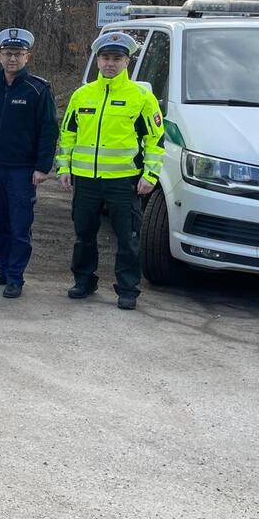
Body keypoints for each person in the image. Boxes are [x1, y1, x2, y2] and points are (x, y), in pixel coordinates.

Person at [56, 31, 164, 310]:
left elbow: (155, 140)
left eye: (116, 58)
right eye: (105, 58)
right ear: (97, 61)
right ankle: (83, 281)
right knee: (84, 235)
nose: (110, 64)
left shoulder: (142, 97)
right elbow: (68, 135)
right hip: (86, 181)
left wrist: (150, 175)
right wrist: (64, 168)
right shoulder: (82, 95)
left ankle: (127, 289)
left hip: (123, 181)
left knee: (128, 238)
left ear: (127, 61)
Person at [0, 28, 59, 298]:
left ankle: (16, 277)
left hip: (22, 170)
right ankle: (3, 269)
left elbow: (48, 131)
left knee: (19, 226)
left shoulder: (38, 89)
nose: (12, 59)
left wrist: (42, 167)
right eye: (8, 53)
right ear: (0, 56)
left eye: (18, 54)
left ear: (27, 57)